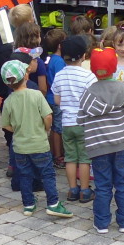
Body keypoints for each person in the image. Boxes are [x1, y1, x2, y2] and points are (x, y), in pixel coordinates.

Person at [0, 59, 74, 219]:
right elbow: (48, 116)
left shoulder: (8, 101)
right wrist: (45, 129)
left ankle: (28, 204)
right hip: (39, 144)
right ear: (26, 75)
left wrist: (19, 130)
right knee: (47, 174)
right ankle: (53, 204)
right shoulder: (36, 95)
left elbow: (6, 125)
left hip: (20, 146)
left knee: (25, 175)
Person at [79, 48, 124, 234]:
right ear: (114, 68)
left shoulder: (88, 93)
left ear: (92, 69)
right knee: (123, 184)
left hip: (98, 147)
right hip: (122, 145)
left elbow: (80, 120)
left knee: (103, 185)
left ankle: (102, 223)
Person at [50, 35, 96, 202]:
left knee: (70, 157)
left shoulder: (60, 75)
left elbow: (56, 99)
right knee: (84, 158)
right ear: (84, 56)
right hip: (84, 122)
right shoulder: (88, 76)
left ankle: (72, 190)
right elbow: (93, 98)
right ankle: (85, 190)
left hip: (67, 124)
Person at [43, 28, 67, 168]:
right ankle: (58, 156)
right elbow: (60, 82)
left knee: (54, 128)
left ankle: (53, 152)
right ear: (59, 45)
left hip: (50, 98)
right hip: (57, 99)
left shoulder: (51, 59)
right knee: (58, 129)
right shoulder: (59, 62)